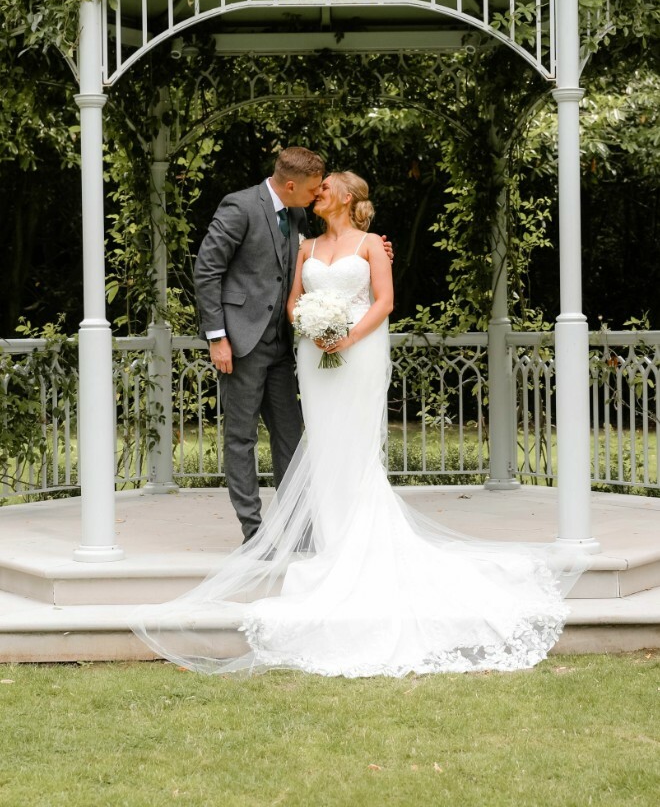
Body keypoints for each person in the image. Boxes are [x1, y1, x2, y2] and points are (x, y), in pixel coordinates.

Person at [133, 171, 587, 677]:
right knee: (321, 442)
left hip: (359, 352)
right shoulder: (302, 241)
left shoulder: (372, 244)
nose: (319, 192)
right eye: (316, 186)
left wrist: (345, 337)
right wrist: (310, 326)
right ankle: (317, 535)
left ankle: (354, 540)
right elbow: (288, 299)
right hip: (311, 352)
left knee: (353, 442)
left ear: (347, 197)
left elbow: (385, 302)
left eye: (327, 187)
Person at [194, 146, 324, 543]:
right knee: (241, 437)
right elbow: (206, 270)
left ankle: (298, 530)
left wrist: (373, 250)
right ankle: (253, 531)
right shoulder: (240, 207)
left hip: (280, 347)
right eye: (312, 190)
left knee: (291, 436)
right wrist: (217, 337)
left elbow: (318, 254)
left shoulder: (296, 212)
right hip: (240, 343)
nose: (316, 197)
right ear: (289, 184)